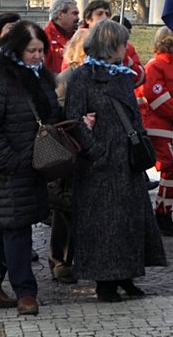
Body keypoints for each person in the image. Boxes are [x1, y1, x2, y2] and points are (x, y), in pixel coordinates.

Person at [64, 18, 167, 301]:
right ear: (110, 46)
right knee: (102, 225)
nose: (127, 48)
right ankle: (104, 281)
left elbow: (133, 113)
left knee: (130, 223)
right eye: (123, 43)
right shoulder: (82, 78)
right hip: (99, 165)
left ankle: (127, 275)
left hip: (127, 161)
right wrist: (96, 150)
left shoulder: (122, 75)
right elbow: (73, 120)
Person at [0, 20, 59, 315]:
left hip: (31, 165)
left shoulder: (40, 77)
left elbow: (51, 113)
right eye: (32, 50)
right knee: (17, 227)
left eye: (41, 50)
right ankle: (26, 292)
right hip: (4, 170)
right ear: (16, 49)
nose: (37, 56)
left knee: (12, 226)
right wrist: (11, 161)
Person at [139, 26, 173, 237]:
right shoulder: (156, 66)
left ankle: (163, 212)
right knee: (170, 169)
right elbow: (158, 100)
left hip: (171, 126)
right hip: (158, 126)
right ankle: (161, 214)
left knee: (172, 171)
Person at [44, 0, 81, 75]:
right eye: (74, 14)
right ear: (60, 15)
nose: (78, 18)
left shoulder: (78, 36)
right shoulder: (46, 37)